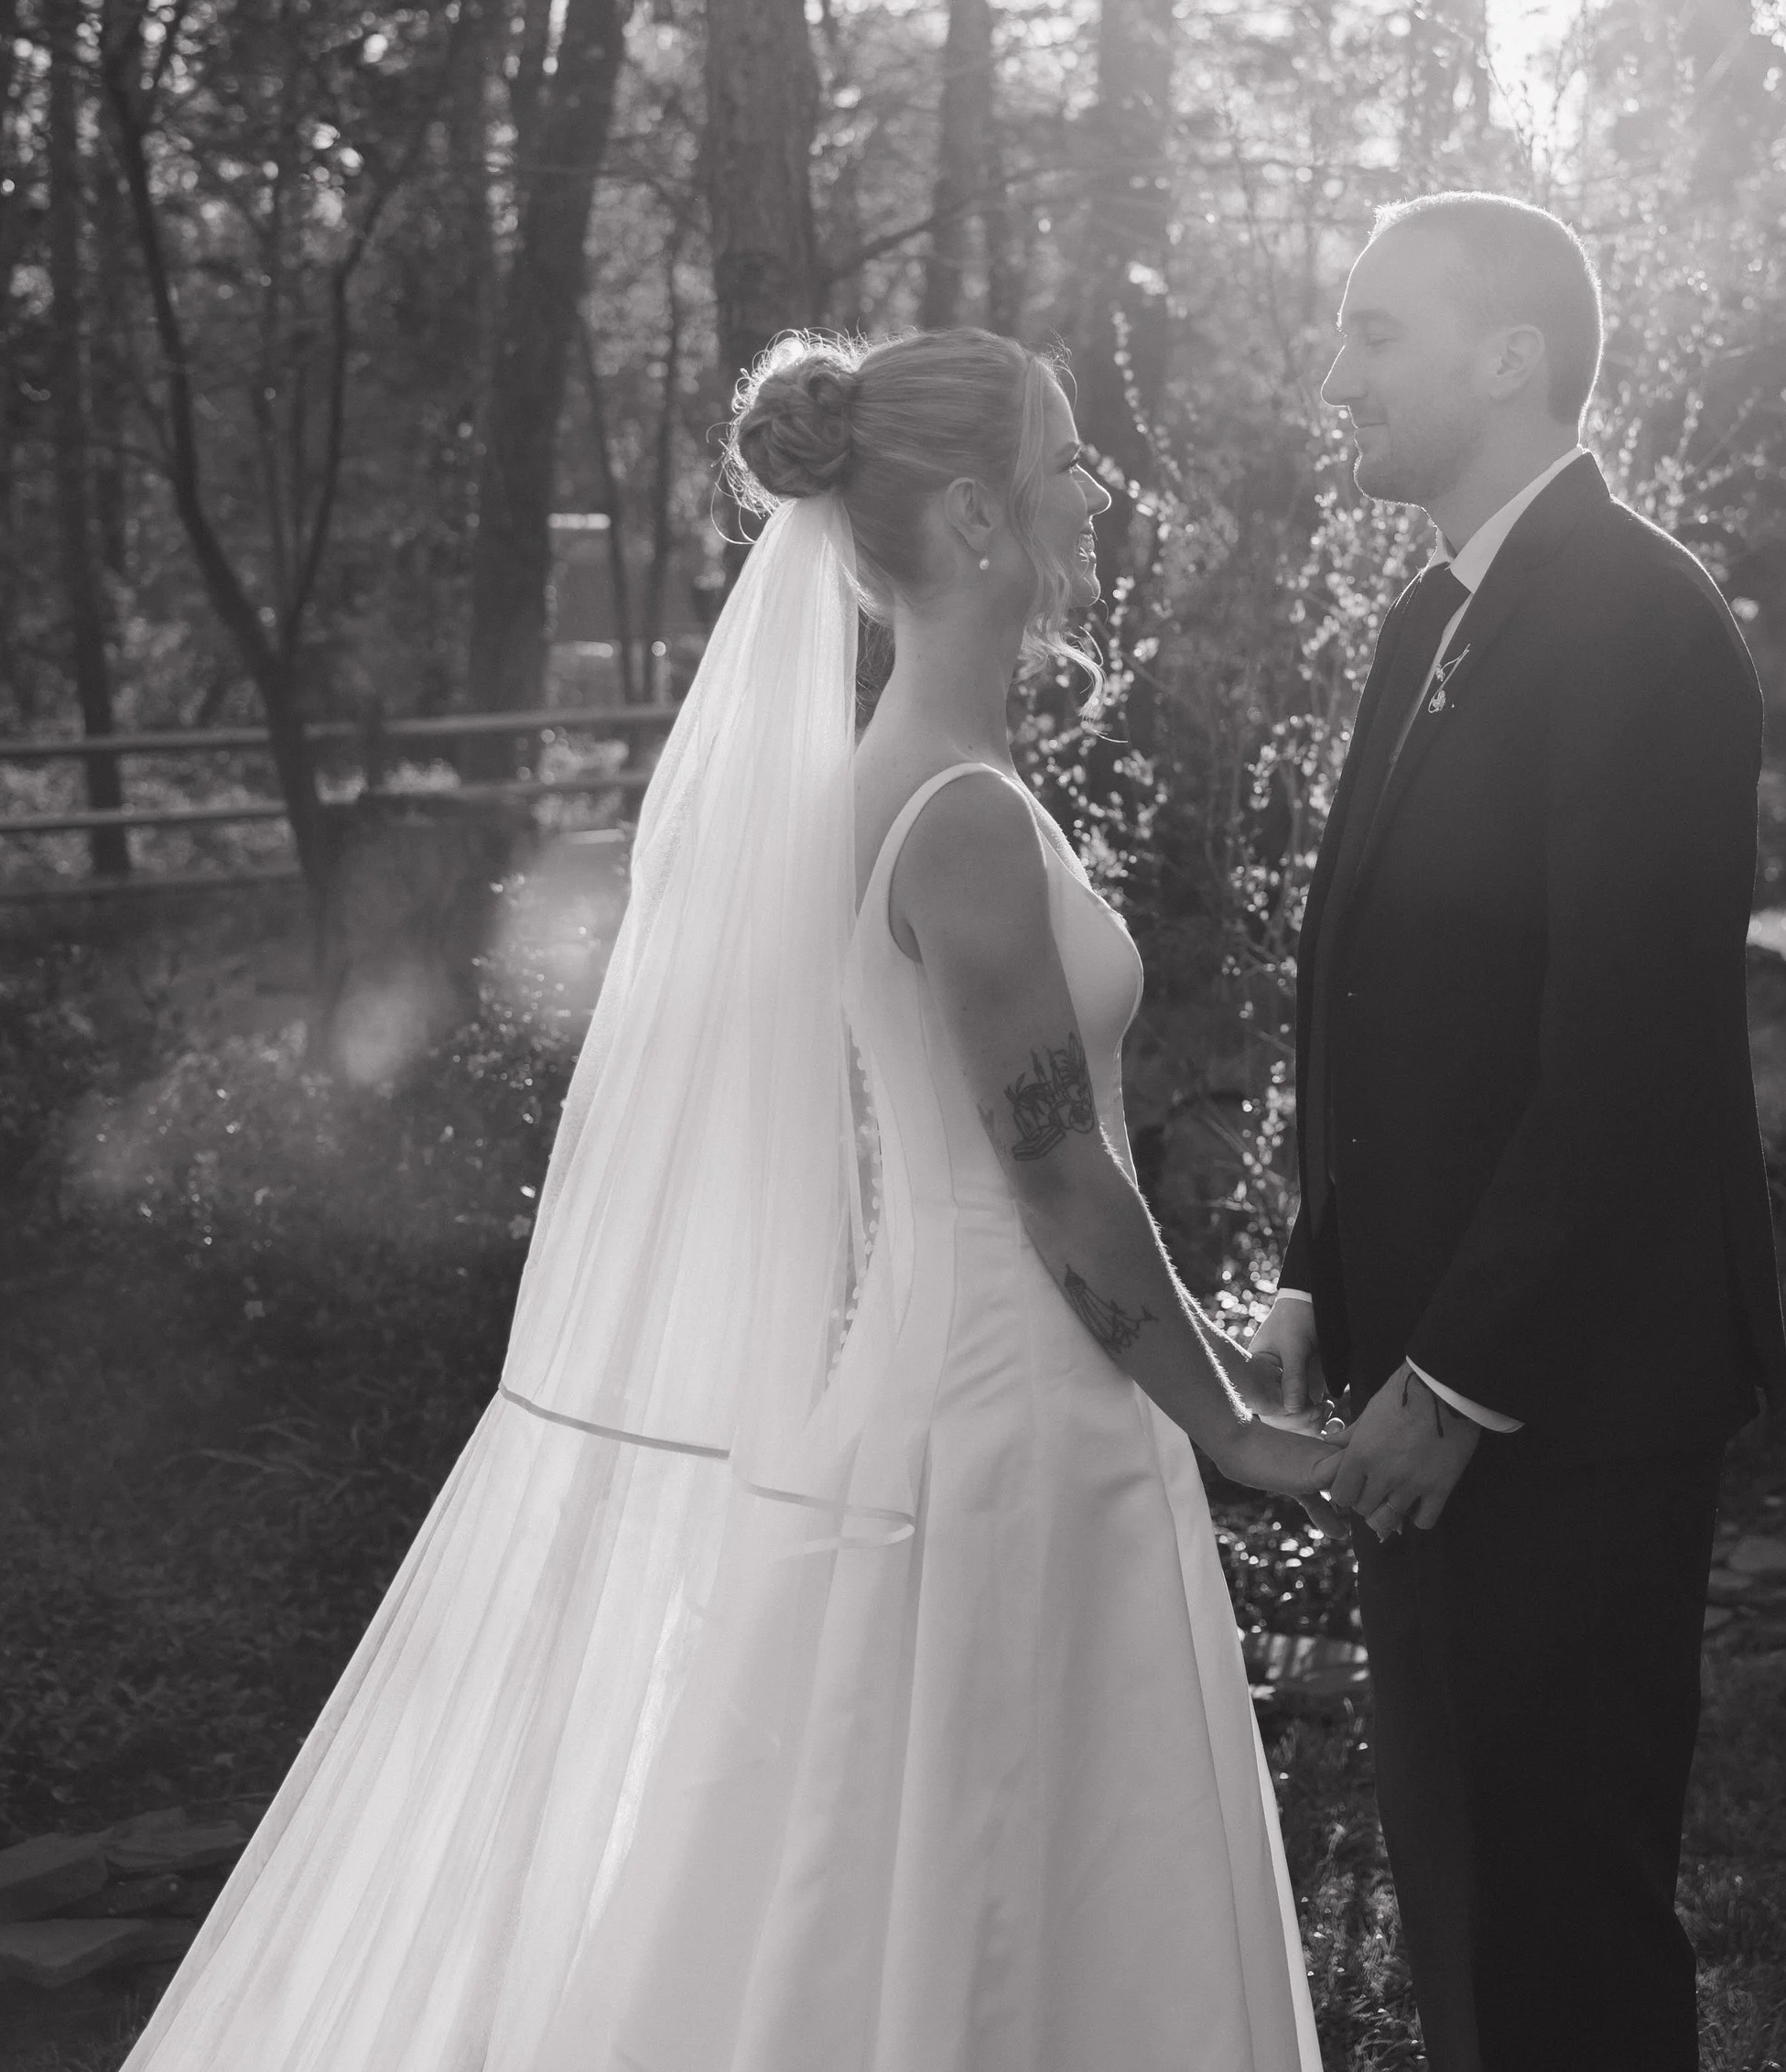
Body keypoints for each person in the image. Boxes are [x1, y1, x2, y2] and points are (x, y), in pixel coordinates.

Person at [124, 325, 1334, 2072]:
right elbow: (1059, 1176)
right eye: (1073, 460)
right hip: (1013, 1421)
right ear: (985, 517)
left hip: (980, 1391)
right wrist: (1234, 1422)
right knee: (998, 1887)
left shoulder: (911, 786)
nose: (1101, 493)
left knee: (924, 1885)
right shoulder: (962, 819)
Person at [1245, 192, 1786, 2072]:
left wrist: (1461, 1372)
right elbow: (1376, 979)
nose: (1338, 376)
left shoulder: (1638, 621)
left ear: (1508, 357)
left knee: (1554, 1912)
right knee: (1465, 1894)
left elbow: (1625, 1050)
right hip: (1421, 1360)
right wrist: (1319, 1269)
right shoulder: (1432, 616)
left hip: (1563, 1389)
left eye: (1372, 333)